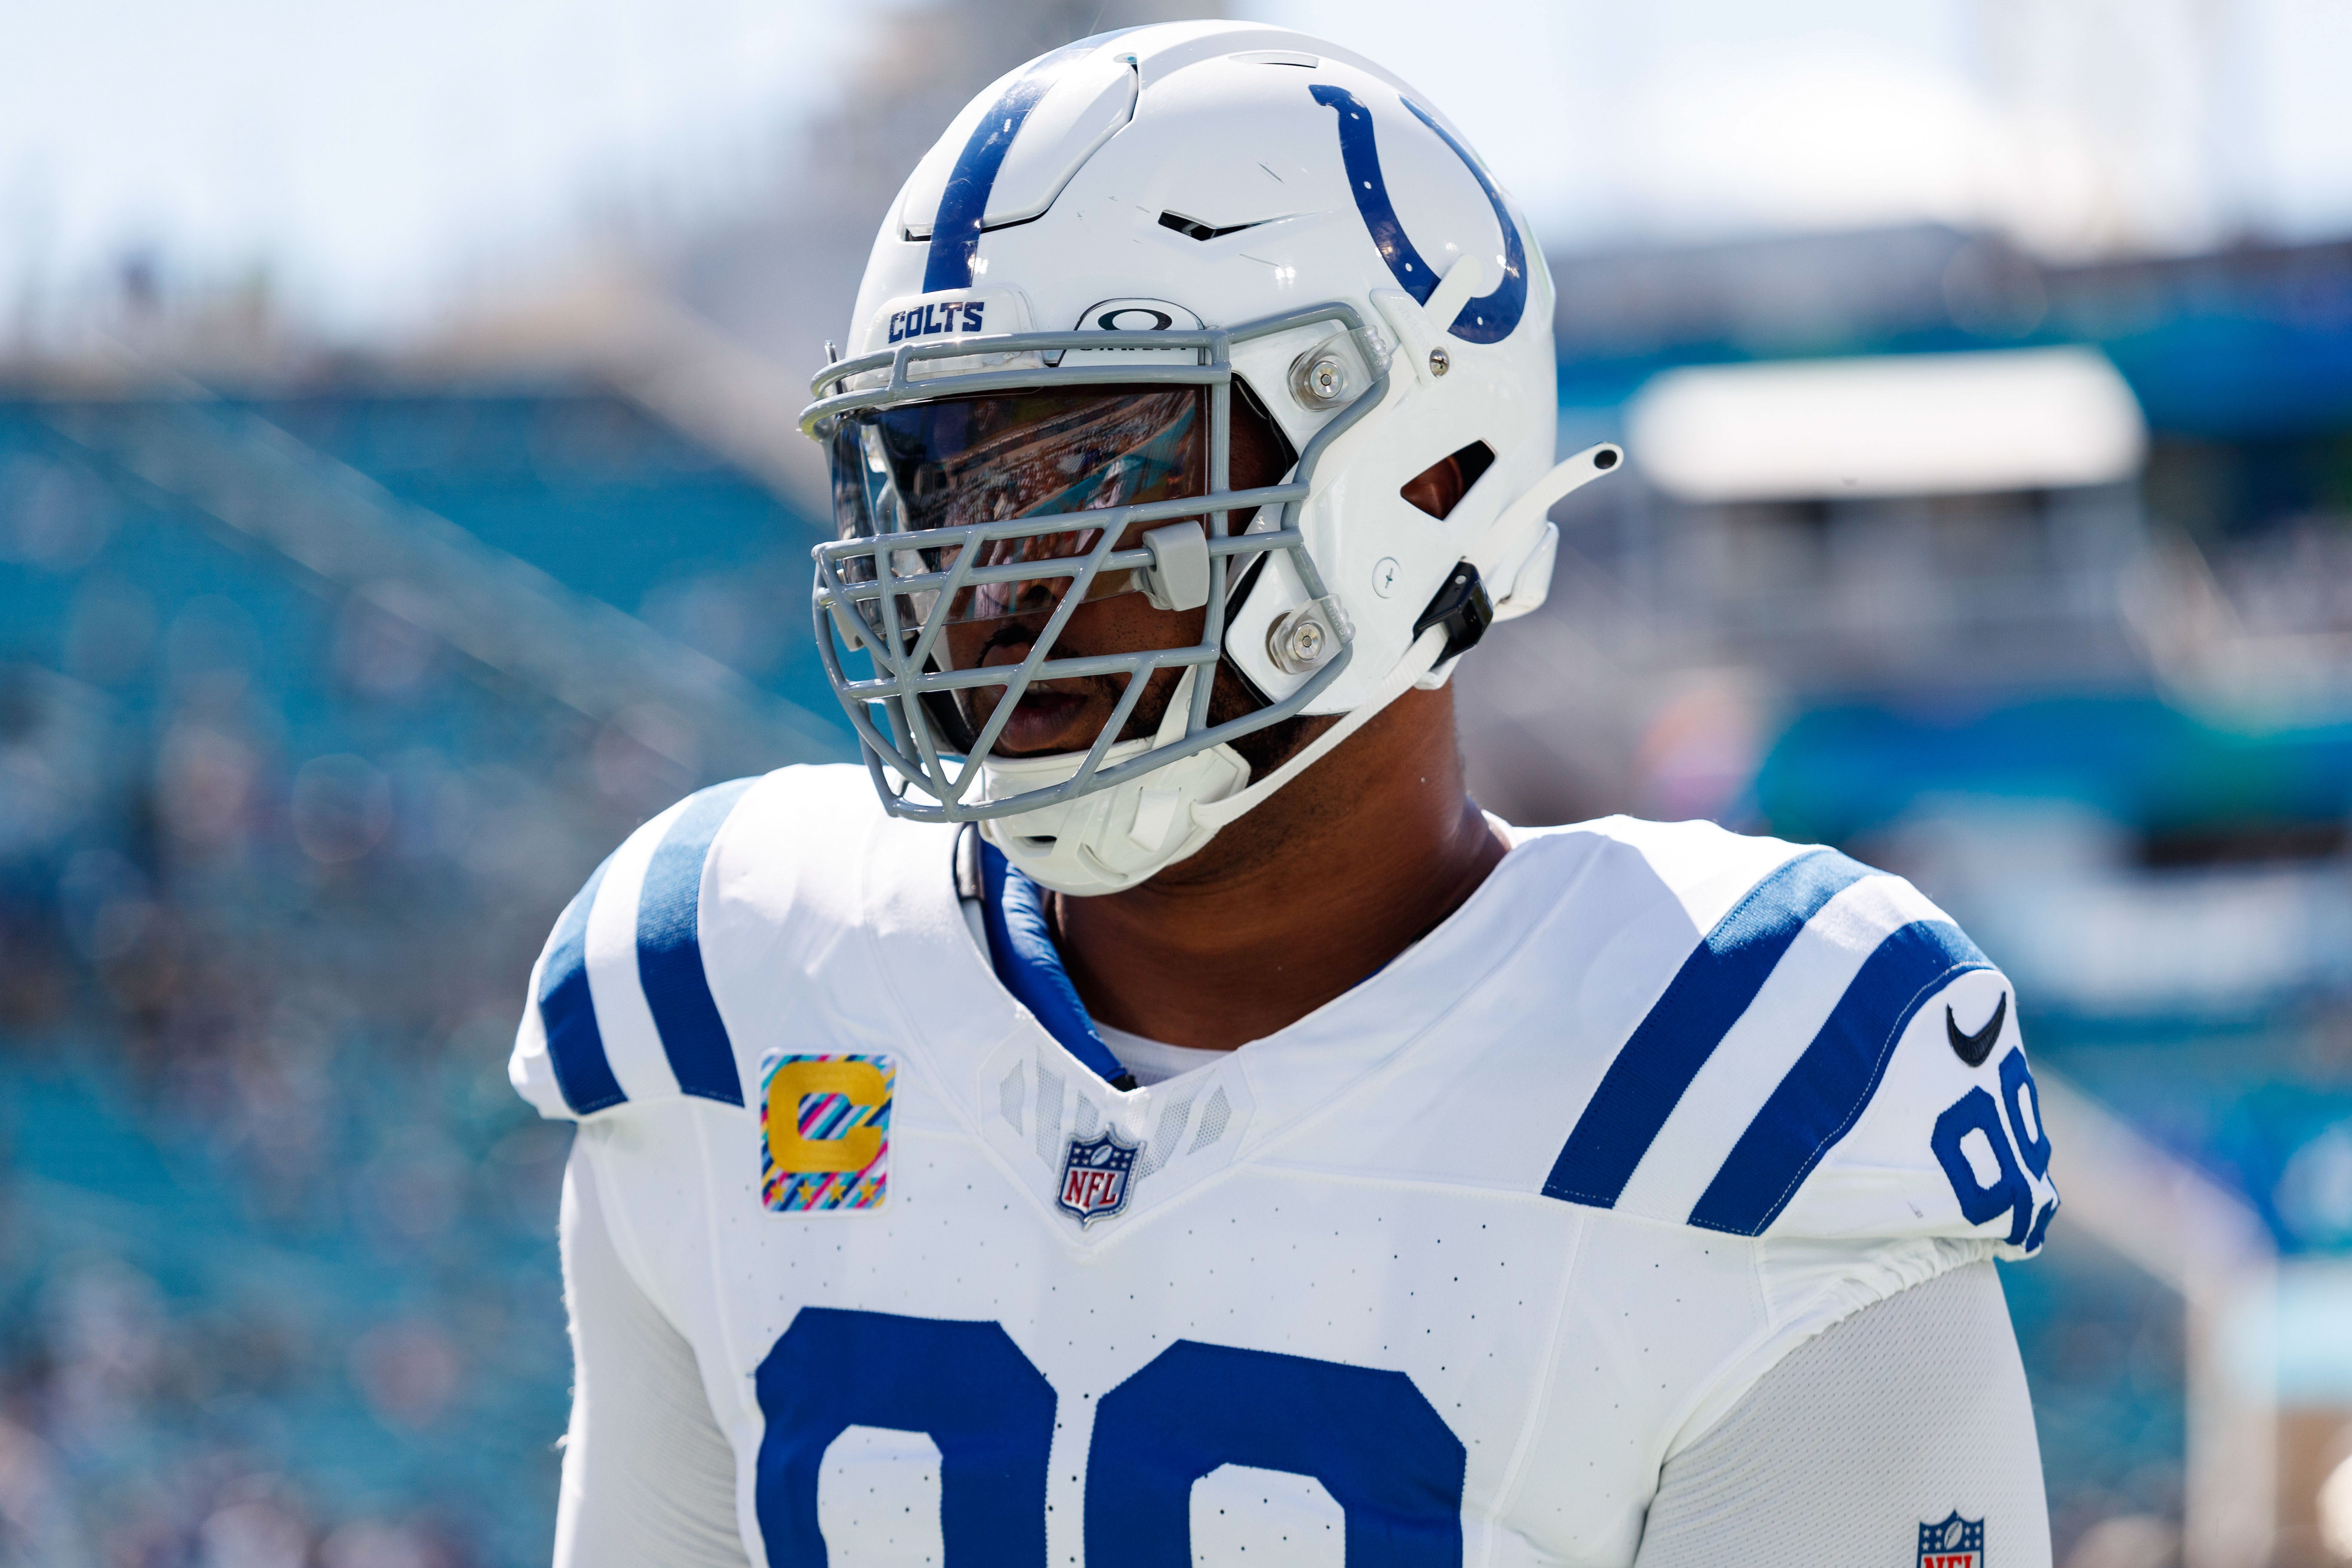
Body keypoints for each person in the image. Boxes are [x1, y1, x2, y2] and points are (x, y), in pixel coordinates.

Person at [511, 22, 2060, 1566]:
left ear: (1424, 479)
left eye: (1082, 472)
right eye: (931, 484)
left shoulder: (1737, 1082)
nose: (969, 593)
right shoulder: (734, 980)